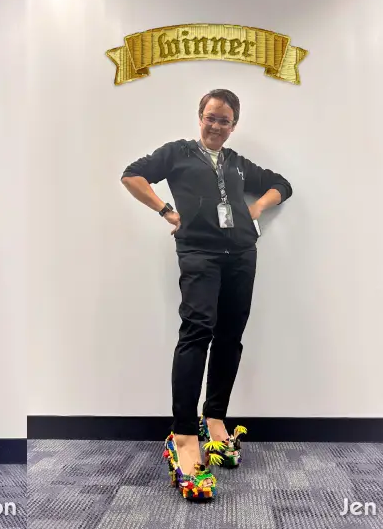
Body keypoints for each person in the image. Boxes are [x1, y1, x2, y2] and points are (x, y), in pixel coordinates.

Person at [120, 89, 292, 502]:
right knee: (197, 333)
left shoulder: (237, 163)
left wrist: (255, 210)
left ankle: (214, 419)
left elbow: (282, 185)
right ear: (200, 118)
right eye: (210, 117)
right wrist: (165, 210)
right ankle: (183, 435)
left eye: (224, 120)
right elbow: (131, 175)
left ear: (234, 126)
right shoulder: (177, 153)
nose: (216, 125)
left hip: (241, 255)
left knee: (230, 337)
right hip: (199, 253)